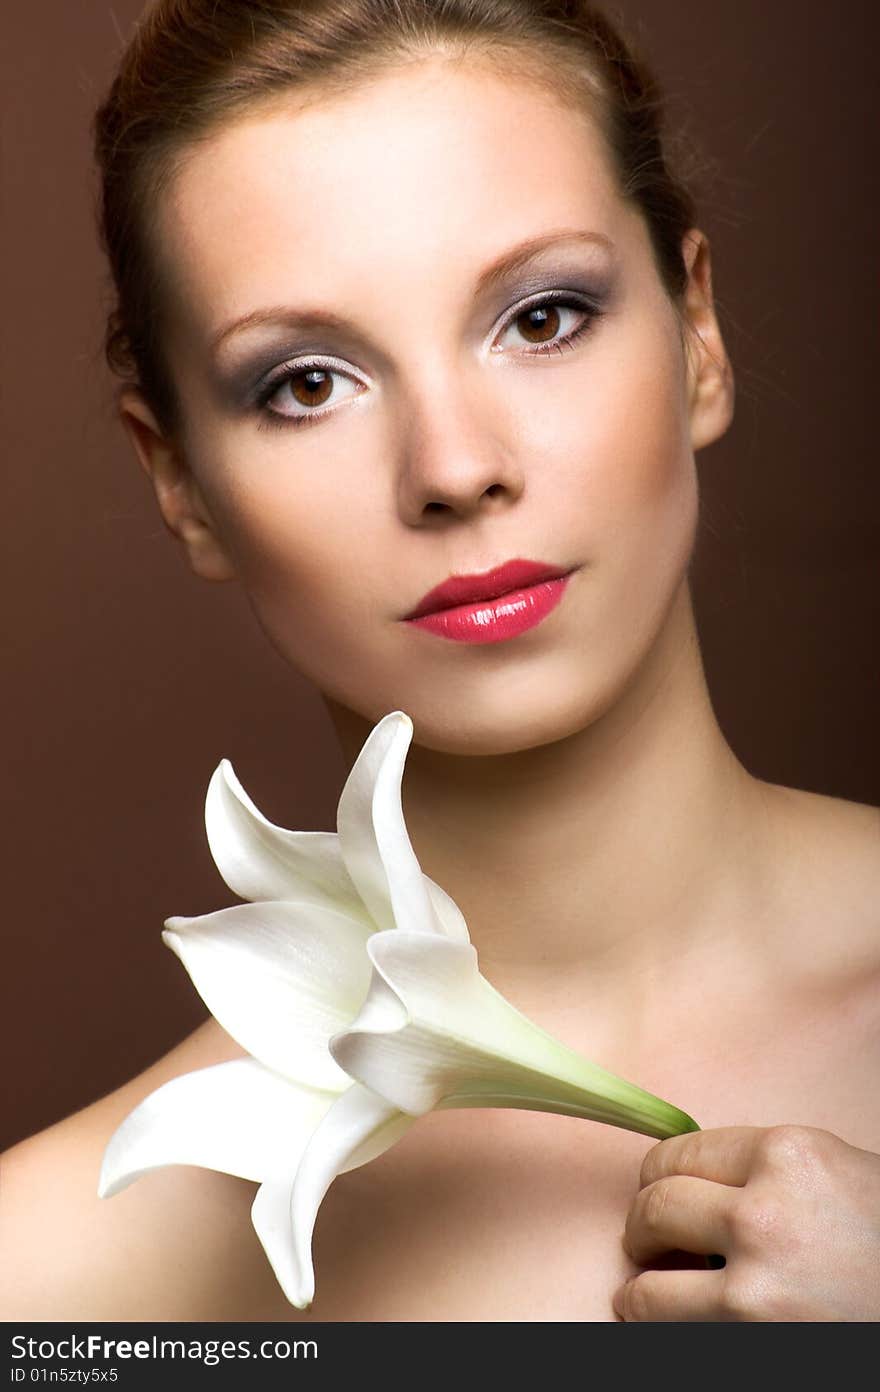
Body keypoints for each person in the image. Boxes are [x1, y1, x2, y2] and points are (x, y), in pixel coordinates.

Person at [1, 0, 878, 1322]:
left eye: (541, 317)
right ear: (179, 480)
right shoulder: (58, 1279)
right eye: (305, 383)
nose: (457, 468)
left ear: (698, 331)